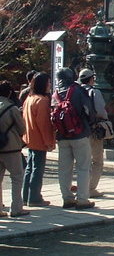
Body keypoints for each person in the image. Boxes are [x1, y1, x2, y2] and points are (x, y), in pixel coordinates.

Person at [52, 68, 95, 209]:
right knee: (83, 167)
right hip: (80, 133)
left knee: (64, 169)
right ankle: (82, 199)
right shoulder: (78, 90)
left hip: (62, 135)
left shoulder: (56, 93)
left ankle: (67, 198)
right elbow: (89, 110)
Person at [22, 72, 55, 207]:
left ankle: (26, 196)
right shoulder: (42, 101)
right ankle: (35, 197)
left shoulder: (29, 98)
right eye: (48, 82)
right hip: (39, 139)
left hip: (29, 137)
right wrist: (49, 142)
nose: (50, 85)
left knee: (30, 168)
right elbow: (44, 124)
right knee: (37, 169)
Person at [78, 68, 108, 198]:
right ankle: (90, 188)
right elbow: (101, 111)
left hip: (78, 130)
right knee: (97, 160)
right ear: (91, 79)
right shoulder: (94, 92)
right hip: (93, 129)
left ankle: (80, 187)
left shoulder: (74, 91)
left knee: (82, 161)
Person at [0, 80, 27, 217]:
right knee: (16, 177)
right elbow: (22, 128)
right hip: (11, 147)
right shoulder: (11, 109)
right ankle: (16, 208)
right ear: (10, 93)